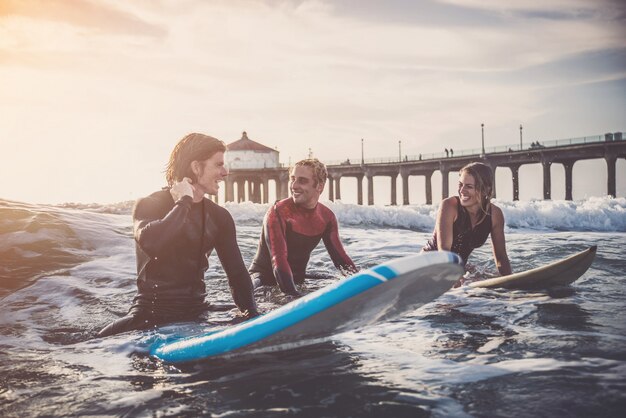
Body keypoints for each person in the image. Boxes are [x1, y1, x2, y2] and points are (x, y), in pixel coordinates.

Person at [97, 133, 259, 337]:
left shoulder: (219, 217)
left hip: (197, 314)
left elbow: (237, 275)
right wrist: (184, 201)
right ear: (196, 167)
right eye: (218, 165)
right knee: (94, 343)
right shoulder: (150, 204)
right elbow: (152, 242)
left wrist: (252, 317)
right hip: (150, 317)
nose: (225, 172)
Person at [249, 158, 357, 296]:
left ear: (320, 186)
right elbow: (279, 260)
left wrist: (360, 281)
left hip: (297, 281)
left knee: (332, 278)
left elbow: (340, 260)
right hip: (262, 282)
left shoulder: (326, 217)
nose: (294, 185)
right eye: (292, 179)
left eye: (302, 180)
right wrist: (293, 296)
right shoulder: (278, 212)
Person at [422, 162, 512, 276]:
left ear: (485, 190)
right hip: (428, 266)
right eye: (460, 184)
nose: (462, 190)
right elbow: (444, 250)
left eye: (469, 186)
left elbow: (501, 257)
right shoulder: (449, 206)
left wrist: (510, 283)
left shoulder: (495, 215)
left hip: (458, 269)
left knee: (486, 277)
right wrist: (452, 277)